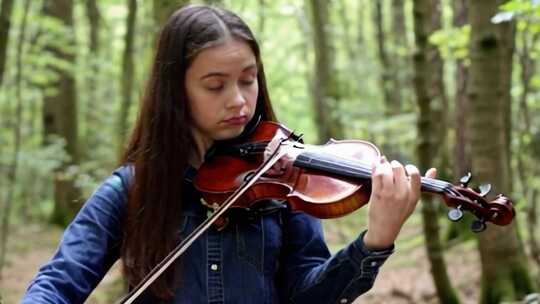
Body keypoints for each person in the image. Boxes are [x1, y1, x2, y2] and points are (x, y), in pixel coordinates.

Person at [22, 4, 436, 304]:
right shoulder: (132, 190)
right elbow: (59, 282)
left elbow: (310, 295)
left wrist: (376, 240)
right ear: (175, 90)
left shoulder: (281, 180)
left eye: (248, 80)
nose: (239, 100)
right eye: (215, 85)